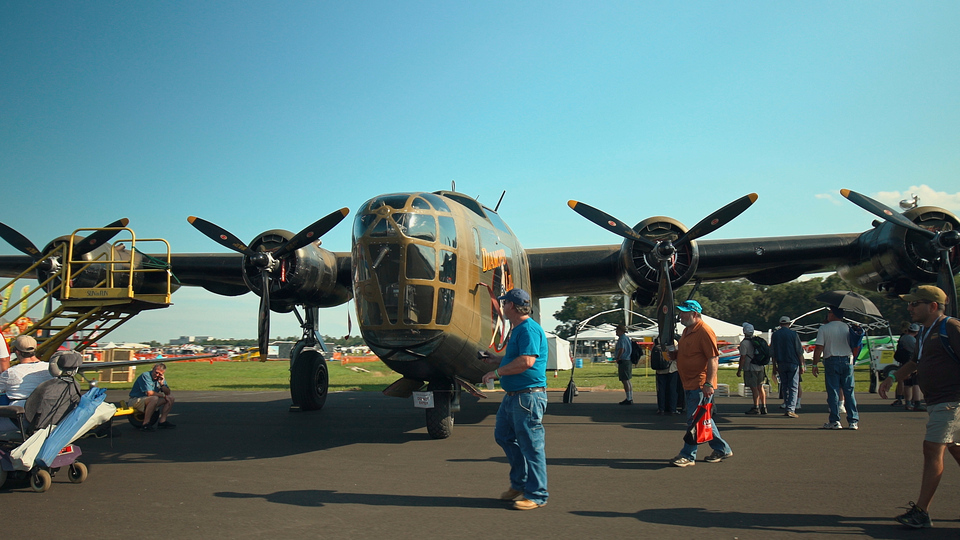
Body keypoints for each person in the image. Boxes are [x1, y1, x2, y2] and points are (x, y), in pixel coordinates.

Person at [878, 285, 960, 529]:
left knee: (932, 448)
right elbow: (915, 362)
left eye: (915, 303)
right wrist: (893, 377)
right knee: (953, 448)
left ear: (932, 306)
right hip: (937, 401)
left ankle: (922, 511)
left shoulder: (951, 327)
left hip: (951, 401)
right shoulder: (926, 332)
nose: (909, 307)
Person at [481, 288, 549, 510]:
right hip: (515, 397)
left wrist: (497, 373)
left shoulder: (528, 329)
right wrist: (497, 360)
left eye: (504, 302)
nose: (501, 306)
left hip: (527, 397)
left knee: (531, 446)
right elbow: (516, 358)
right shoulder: (518, 329)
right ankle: (519, 484)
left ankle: (537, 494)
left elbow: (527, 361)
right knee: (503, 436)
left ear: (511, 305)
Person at [667, 299, 733, 467]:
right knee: (704, 419)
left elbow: (713, 358)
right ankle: (722, 449)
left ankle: (688, 455)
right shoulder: (687, 331)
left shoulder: (704, 331)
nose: (680, 315)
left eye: (683, 312)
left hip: (700, 383)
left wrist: (709, 384)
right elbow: (686, 353)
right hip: (688, 382)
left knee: (694, 419)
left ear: (694, 314)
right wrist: (674, 355)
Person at [811, 306, 859, 430]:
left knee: (833, 391)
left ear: (832, 315)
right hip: (847, 360)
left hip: (831, 360)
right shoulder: (848, 328)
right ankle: (853, 420)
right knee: (849, 391)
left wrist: (815, 364)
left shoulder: (824, 328)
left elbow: (819, 347)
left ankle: (835, 420)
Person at [0, 335, 52, 431]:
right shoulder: (50, 368)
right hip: (47, 417)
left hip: (20, 419)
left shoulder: (11, 373)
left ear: (17, 352)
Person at [771, 315, 804, 418]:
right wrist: (802, 364)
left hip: (781, 362)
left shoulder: (775, 335)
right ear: (789, 324)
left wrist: (774, 366)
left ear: (780, 324)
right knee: (793, 386)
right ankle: (791, 408)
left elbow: (773, 352)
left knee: (784, 386)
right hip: (793, 362)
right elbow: (799, 350)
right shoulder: (793, 334)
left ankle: (786, 405)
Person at [129, 362, 176, 431]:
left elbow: (168, 392)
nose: (157, 375)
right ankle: (145, 424)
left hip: (147, 400)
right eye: (156, 372)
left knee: (170, 398)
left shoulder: (160, 378)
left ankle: (162, 421)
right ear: (153, 369)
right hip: (136, 400)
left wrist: (162, 384)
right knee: (154, 398)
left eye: (160, 374)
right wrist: (163, 396)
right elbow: (149, 393)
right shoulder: (146, 376)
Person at [738, 323, 766, 415]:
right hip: (761, 367)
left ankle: (756, 407)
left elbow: (743, 357)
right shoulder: (758, 341)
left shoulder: (744, 343)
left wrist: (739, 370)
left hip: (750, 368)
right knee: (760, 387)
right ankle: (764, 406)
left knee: (754, 388)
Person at [895, 323, 924, 411]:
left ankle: (908, 403)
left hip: (904, 362)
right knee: (915, 383)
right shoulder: (912, 340)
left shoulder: (903, 338)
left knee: (907, 384)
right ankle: (917, 402)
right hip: (911, 362)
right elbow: (918, 351)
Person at [653, 336, 679, 415]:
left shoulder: (656, 340)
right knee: (673, 389)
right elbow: (677, 354)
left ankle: (661, 409)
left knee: (661, 390)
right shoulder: (673, 341)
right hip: (672, 368)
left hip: (660, 369)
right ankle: (672, 409)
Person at [614, 324, 634, 405]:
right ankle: (630, 397)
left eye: (617, 330)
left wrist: (618, 357)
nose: (616, 332)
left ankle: (629, 398)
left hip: (624, 360)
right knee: (628, 380)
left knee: (625, 380)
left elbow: (621, 349)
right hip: (628, 359)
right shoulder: (627, 338)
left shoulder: (622, 339)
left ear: (621, 331)